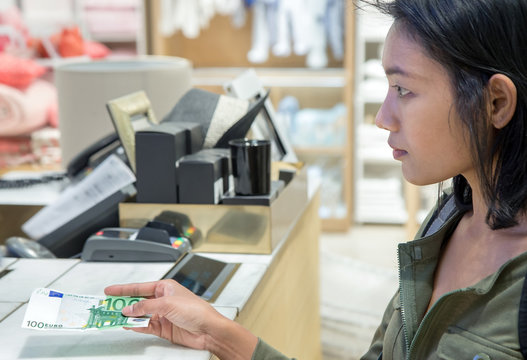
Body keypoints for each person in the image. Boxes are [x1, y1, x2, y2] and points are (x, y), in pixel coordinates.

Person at [105, 0, 527, 358]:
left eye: (404, 90)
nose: (382, 118)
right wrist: (219, 334)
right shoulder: (449, 220)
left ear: (496, 102)